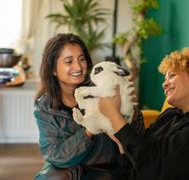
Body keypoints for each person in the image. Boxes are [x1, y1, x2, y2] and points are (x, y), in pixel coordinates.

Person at [99, 47, 189, 180]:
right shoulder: (171, 114)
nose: (164, 84)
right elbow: (141, 149)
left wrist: (113, 113)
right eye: (165, 79)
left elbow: (150, 168)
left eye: (171, 75)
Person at [34, 33, 144, 180]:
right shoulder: (45, 107)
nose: (78, 67)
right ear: (53, 69)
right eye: (69, 61)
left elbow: (135, 133)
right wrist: (89, 131)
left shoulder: (103, 88)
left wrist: (123, 108)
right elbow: (54, 154)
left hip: (105, 167)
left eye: (81, 59)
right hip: (66, 167)